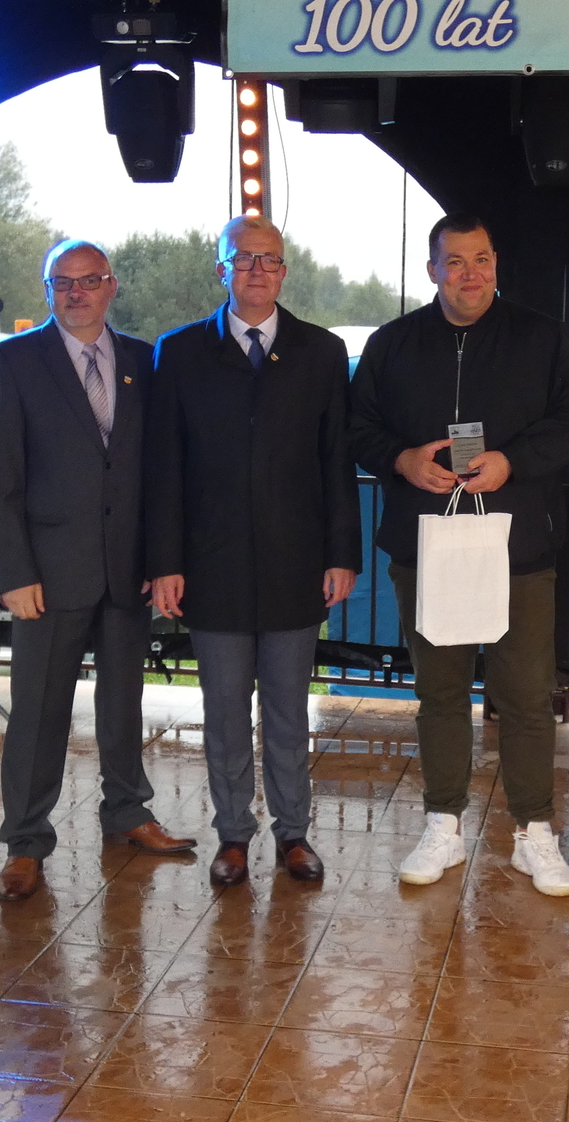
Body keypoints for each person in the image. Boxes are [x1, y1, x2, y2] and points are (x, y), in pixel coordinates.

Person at [347, 213, 569, 897]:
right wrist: (401, 459)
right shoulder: (392, 343)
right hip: (427, 546)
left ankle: (534, 832)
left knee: (526, 697)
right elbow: (356, 427)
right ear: (432, 270)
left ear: (496, 264)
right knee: (440, 693)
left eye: (481, 259)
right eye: (455, 261)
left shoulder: (543, 338)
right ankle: (443, 825)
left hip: (519, 549)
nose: (470, 274)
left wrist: (513, 461)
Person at [0, 239, 196, 904]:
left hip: (126, 571)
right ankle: (25, 841)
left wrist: (162, 560)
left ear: (111, 286)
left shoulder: (143, 361)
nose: (76, 292)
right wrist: (14, 573)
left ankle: (127, 812)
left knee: (123, 703)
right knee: (39, 712)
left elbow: (160, 471)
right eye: (63, 282)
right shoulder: (13, 362)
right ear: (48, 290)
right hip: (46, 575)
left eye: (89, 280)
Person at [143, 215, 361, 887]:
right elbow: (164, 467)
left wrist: (342, 553)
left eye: (269, 260)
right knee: (225, 714)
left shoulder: (322, 352)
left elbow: (336, 460)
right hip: (211, 567)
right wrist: (165, 562)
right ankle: (233, 836)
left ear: (284, 271)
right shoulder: (179, 351)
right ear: (222, 270)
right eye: (244, 259)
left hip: (298, 565)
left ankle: (294, 833)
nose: (257, 271)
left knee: (290, 712)